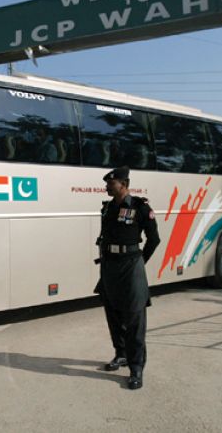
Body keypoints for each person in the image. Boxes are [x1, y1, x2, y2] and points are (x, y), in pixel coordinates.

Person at [95, 166, 160, 390]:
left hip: (131, 266)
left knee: (134, 318)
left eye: (110, 183)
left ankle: (136, 367)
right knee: (112, 313)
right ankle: (121, 354)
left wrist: (141, 261)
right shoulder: (107, 208)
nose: (106, 186)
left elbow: (154, 239)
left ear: (123, 184)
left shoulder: (140, 207)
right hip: (109, 266)